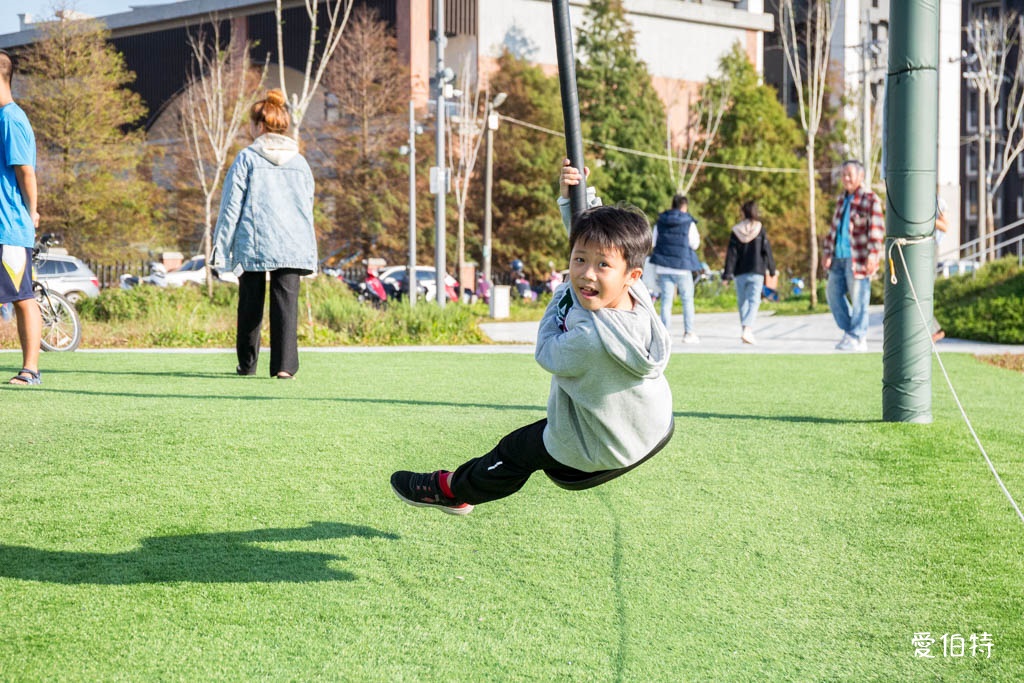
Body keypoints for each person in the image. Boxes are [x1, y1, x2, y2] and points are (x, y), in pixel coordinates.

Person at [389, 160, 673, 514]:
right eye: (579, 259)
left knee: (515, 451)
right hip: (651, 423)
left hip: (604, 446)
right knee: (525, 443)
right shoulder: (636, 292)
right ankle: (456, 487)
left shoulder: (590, 339)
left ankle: (449, 491)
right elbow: (598, 238)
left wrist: (562, 294)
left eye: (601, 266)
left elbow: (546, 351)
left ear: (631, 274)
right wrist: (575, 196)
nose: (586, 273)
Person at [213, 89, 317, 379]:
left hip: (254, 242)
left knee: (250, 304)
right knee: (287, 307)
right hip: (293, 243)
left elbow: (231, 207)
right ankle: (284, 367)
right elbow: (307, 208)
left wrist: (220, 249)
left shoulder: (247, 158)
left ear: (260, 125)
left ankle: (247, 365)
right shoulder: (301, 162)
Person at [0, 49, 42, 386]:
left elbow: (26, 172)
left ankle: (31, 370)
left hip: (9, 229)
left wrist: (31, 215)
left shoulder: (12, 119)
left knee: (21, 297)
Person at [822, 159, 884, 352]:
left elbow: (876, 230)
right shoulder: (842, 199)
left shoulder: (870, 198)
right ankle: (851, 332)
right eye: (843, 175)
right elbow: (834, 229)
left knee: (860, 298)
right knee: (832, 294)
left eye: (849, 174)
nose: (845, 178)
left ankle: (858, 337)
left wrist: (873, 255)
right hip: (838, 257)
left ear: (861, 176)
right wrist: (827, 252)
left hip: (858, 257)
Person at [722, 200, 776, 345]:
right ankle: (748, 329)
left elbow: (731, 255)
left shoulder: (736, 230)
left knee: (743, 302)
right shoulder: (760, 228)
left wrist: (727, 274)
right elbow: (767, 250)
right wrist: (771, 268)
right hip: (757, 270)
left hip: (740, 272)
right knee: (754, 301)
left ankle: (746, 330)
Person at [650, 194, 701, 343]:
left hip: (663, 267)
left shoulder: (660, 221)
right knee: (687, 300)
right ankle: (689, 333)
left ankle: (666, 334)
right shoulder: (688, 222)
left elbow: (653, 243)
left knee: (666, 301)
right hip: (683, 267)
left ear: (672, 205)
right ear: (684, 206)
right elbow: (695, 244)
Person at [930, 196, 949, 343]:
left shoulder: (936, 201)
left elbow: (945, 226)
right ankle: (933, 330)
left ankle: (935, 331)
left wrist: (924, 221)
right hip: (915, 248)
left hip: (930, 247)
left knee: (922, 291)